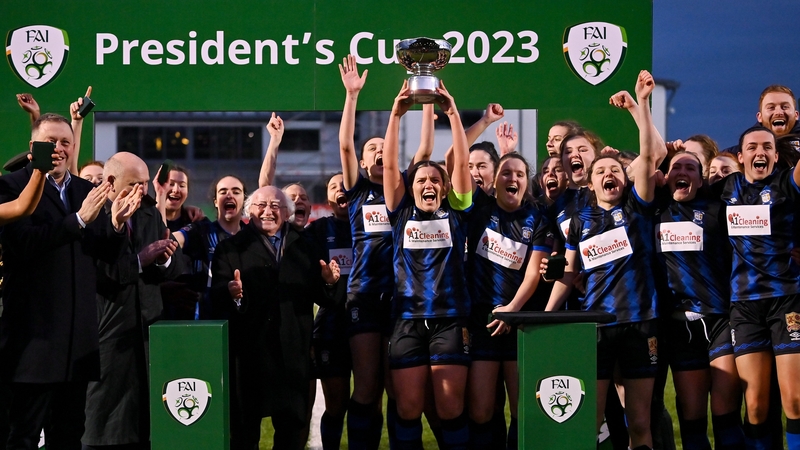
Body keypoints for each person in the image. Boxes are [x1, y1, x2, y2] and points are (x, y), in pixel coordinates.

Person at [0, 113, 140, 449]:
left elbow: (102, 251)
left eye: (65, 142)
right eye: (51, 142)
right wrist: (77, 220)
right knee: (23, 435)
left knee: (69, 435)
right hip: (33, 342)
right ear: (33, 147)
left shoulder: (84, 190)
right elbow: (23, 245)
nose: (59, 149)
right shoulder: (11, 186)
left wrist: (117, 225)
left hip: (77, 343)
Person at [545, 71, 662, 450]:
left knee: (640, 422)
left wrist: (641, 104)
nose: (607, 174)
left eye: (612, 169)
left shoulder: (636, 206)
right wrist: (546, 316)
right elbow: (568, 271)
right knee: (591, 424)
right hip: (595, 324)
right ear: (589, 183)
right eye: (600, 174)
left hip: (640, 322)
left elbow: (649, 155)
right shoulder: (575, 217)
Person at [337, 54, 433, 450]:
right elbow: (344, 142)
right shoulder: (357, 190)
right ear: (362, 161)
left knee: (398, 387)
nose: (378, 152)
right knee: (368, 385)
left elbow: (426, 148)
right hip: (363, 292)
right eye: (371, 148)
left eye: (383, 147)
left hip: (400, 296)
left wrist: (427, 99)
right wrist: (351, 95)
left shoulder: (404, 189)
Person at [210, 186, 341, 450]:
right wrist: (233, 294)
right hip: (248, 356)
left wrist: (328, 283)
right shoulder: (229, 248)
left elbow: (325, 298)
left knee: (292, 432)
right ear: (249, 211)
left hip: (293, 354)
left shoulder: (307, 245)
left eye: (275, 206)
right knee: (244, 434)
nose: (267, 211)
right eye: (260, 205)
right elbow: (217, 299)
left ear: (287, 212)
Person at [383, 81, 472, 449]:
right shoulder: (400, 211)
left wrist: (452, 112)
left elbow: (463, 161)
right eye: (421, 179)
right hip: (406, 320)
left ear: (446, 186)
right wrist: (395, 115)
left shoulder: (459, 211)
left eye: (436, 179)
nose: (428, 183)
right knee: (408, 407)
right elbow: (389, 162)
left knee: (450, 408)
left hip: (449, 319)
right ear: (411, 186)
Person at [83, 152, 183, 450]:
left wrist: (165, 260)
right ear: (110, 183)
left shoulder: (149, 213)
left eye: (144, 184)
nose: (142, 191)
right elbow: (98, 274)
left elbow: (173, 268)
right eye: (134, 184)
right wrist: (140, 261)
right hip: (108, 335)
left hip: (150, 335)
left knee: (146, 426)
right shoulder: (91, 216)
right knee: (103, 427)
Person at [714, 125, 800, 450]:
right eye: (752, 147)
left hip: (786, 301)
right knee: (756, 407)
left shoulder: (787, 183)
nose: (760, 152)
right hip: (745, 306)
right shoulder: (726, 188)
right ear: (740, 156)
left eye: (767, 147)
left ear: (777, 156)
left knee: (794, 401)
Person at [655, 151, 745, 449]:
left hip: (719, 319)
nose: (683, 171)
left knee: (725, 413)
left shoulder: (718, 210)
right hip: (680, 328)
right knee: (692, 419)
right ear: (665, 177)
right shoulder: (653, 210)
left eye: (691, 167)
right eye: (676, 167)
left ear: (701, 177)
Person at [466, 153, 552, 449]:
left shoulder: (537, 217)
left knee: (521, 410)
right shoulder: (478, 207)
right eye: (505, 173)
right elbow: (455, 159)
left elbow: (534, 273)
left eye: (518, 174)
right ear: (493, 181)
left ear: (526, 182)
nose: (512, 178)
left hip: (519, 323)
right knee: (480, 411)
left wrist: (512, 311)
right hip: (482, 322)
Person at [307, 173, 353, 449]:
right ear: (328, 199)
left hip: (371, 320)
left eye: (345, 184)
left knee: (370, 400)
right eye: (334, 186)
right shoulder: (319, 230)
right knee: (337, 404)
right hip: (332, 323)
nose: (341, 189)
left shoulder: (373, 225)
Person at [174, 175, 247, 320]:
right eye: (223, 191)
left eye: (236, 191)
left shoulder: (252, 236)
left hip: (245, 320)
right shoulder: (201, 231)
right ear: (215, 201)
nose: (229, 195)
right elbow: (171, 240)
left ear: (244, 200)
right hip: (208, 320)